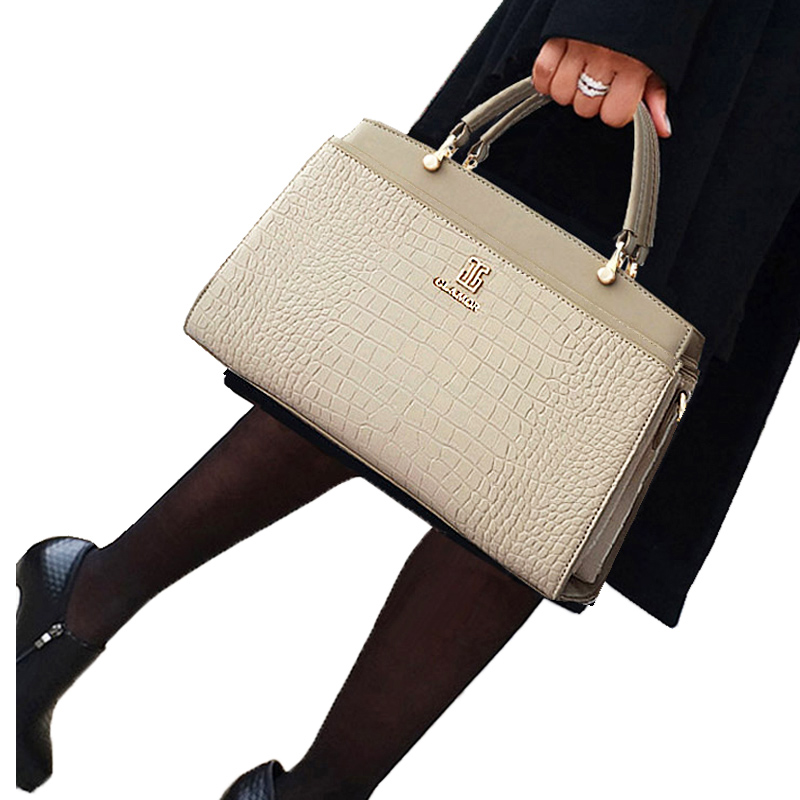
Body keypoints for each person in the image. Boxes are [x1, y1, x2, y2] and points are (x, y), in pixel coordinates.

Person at [16, 1, 800, 799]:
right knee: (411, 347)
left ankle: (286, 770)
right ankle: (88, 597)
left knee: (567, 465)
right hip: (711, 44)